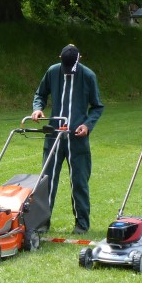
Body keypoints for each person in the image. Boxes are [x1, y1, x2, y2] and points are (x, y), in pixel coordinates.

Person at [32, 44, 104, 234]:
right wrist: (37, 108)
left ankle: (81, 223)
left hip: (77, 139)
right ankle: (42, 222)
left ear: (79, 59)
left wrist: (87, 125)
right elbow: (40, 94)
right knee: (47, 180)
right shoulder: (53, 71)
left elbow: (97, 107)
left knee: (79, 181)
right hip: (54, 136)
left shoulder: (88, 76)